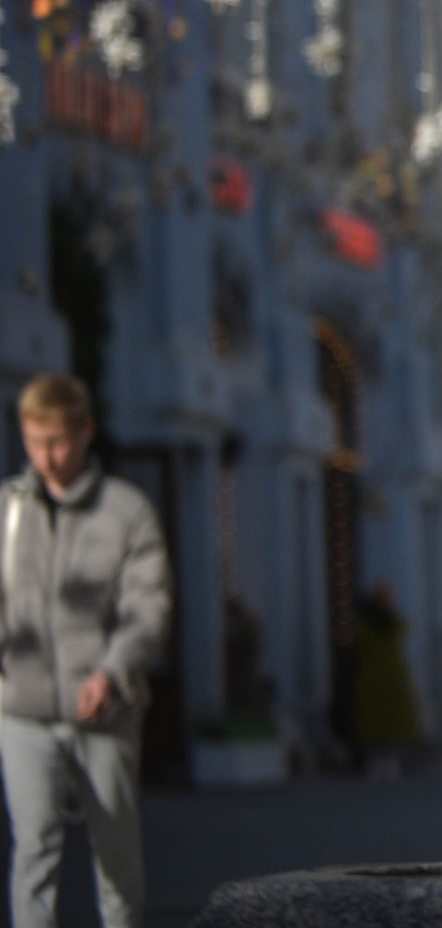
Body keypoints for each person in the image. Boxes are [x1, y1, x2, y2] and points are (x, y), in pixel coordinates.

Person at [0, 374, 171, 928]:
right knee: (34, 855)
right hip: (21, 712)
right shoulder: (7, 510)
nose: (46, 456)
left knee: (115, 856)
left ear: (85, 432)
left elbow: (149, 608)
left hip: (105, 709)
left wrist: (113, 671)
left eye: (58, 441)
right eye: (33, 440)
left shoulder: (126, 511)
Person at [350, 581, 424, 775]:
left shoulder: (365, 623)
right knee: (389, 722)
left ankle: (378, 763)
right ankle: (389, 763)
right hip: (391, 676)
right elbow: (405, 628)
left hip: (372, 678)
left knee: (376, 722)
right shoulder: (393, 621)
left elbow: (359, 646)